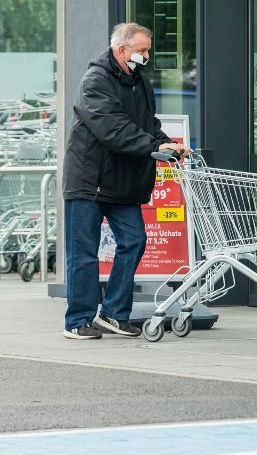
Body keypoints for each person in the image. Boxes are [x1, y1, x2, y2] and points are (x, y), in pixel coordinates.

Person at [62, 22, 187, 340]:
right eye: (142, 50)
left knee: (134, 240)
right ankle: (78, 319)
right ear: (121, 50)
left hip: (123, 181)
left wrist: (167, 143)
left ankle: (114, 313)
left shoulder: (140, 83)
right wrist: (154, 146)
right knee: (84, 253)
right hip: (90, 181)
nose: (146, 56)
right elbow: (112, 128)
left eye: (148, 50)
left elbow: (147, 123)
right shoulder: (95, 81)